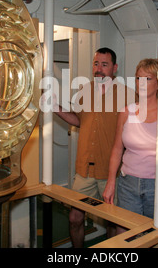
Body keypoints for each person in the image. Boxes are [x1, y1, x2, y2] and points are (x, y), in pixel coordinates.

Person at [53, 47, 135, 247]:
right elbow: (79, 120)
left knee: (113, 224)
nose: (99, 69)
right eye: (96, 64)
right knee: (75, 218)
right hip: (85, 170)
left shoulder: (128, 95)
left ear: (114, 68)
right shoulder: (84, 91)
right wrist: (56, 108)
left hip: (111, 172)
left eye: (104, 65)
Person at [102, 58, 158, 232]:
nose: (141, 83)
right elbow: (117, 150)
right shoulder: (127, 111)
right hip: (128, 183)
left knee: (154, 236)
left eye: (147, 79)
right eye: (138, 78)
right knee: (125, 235)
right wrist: (111, 182)